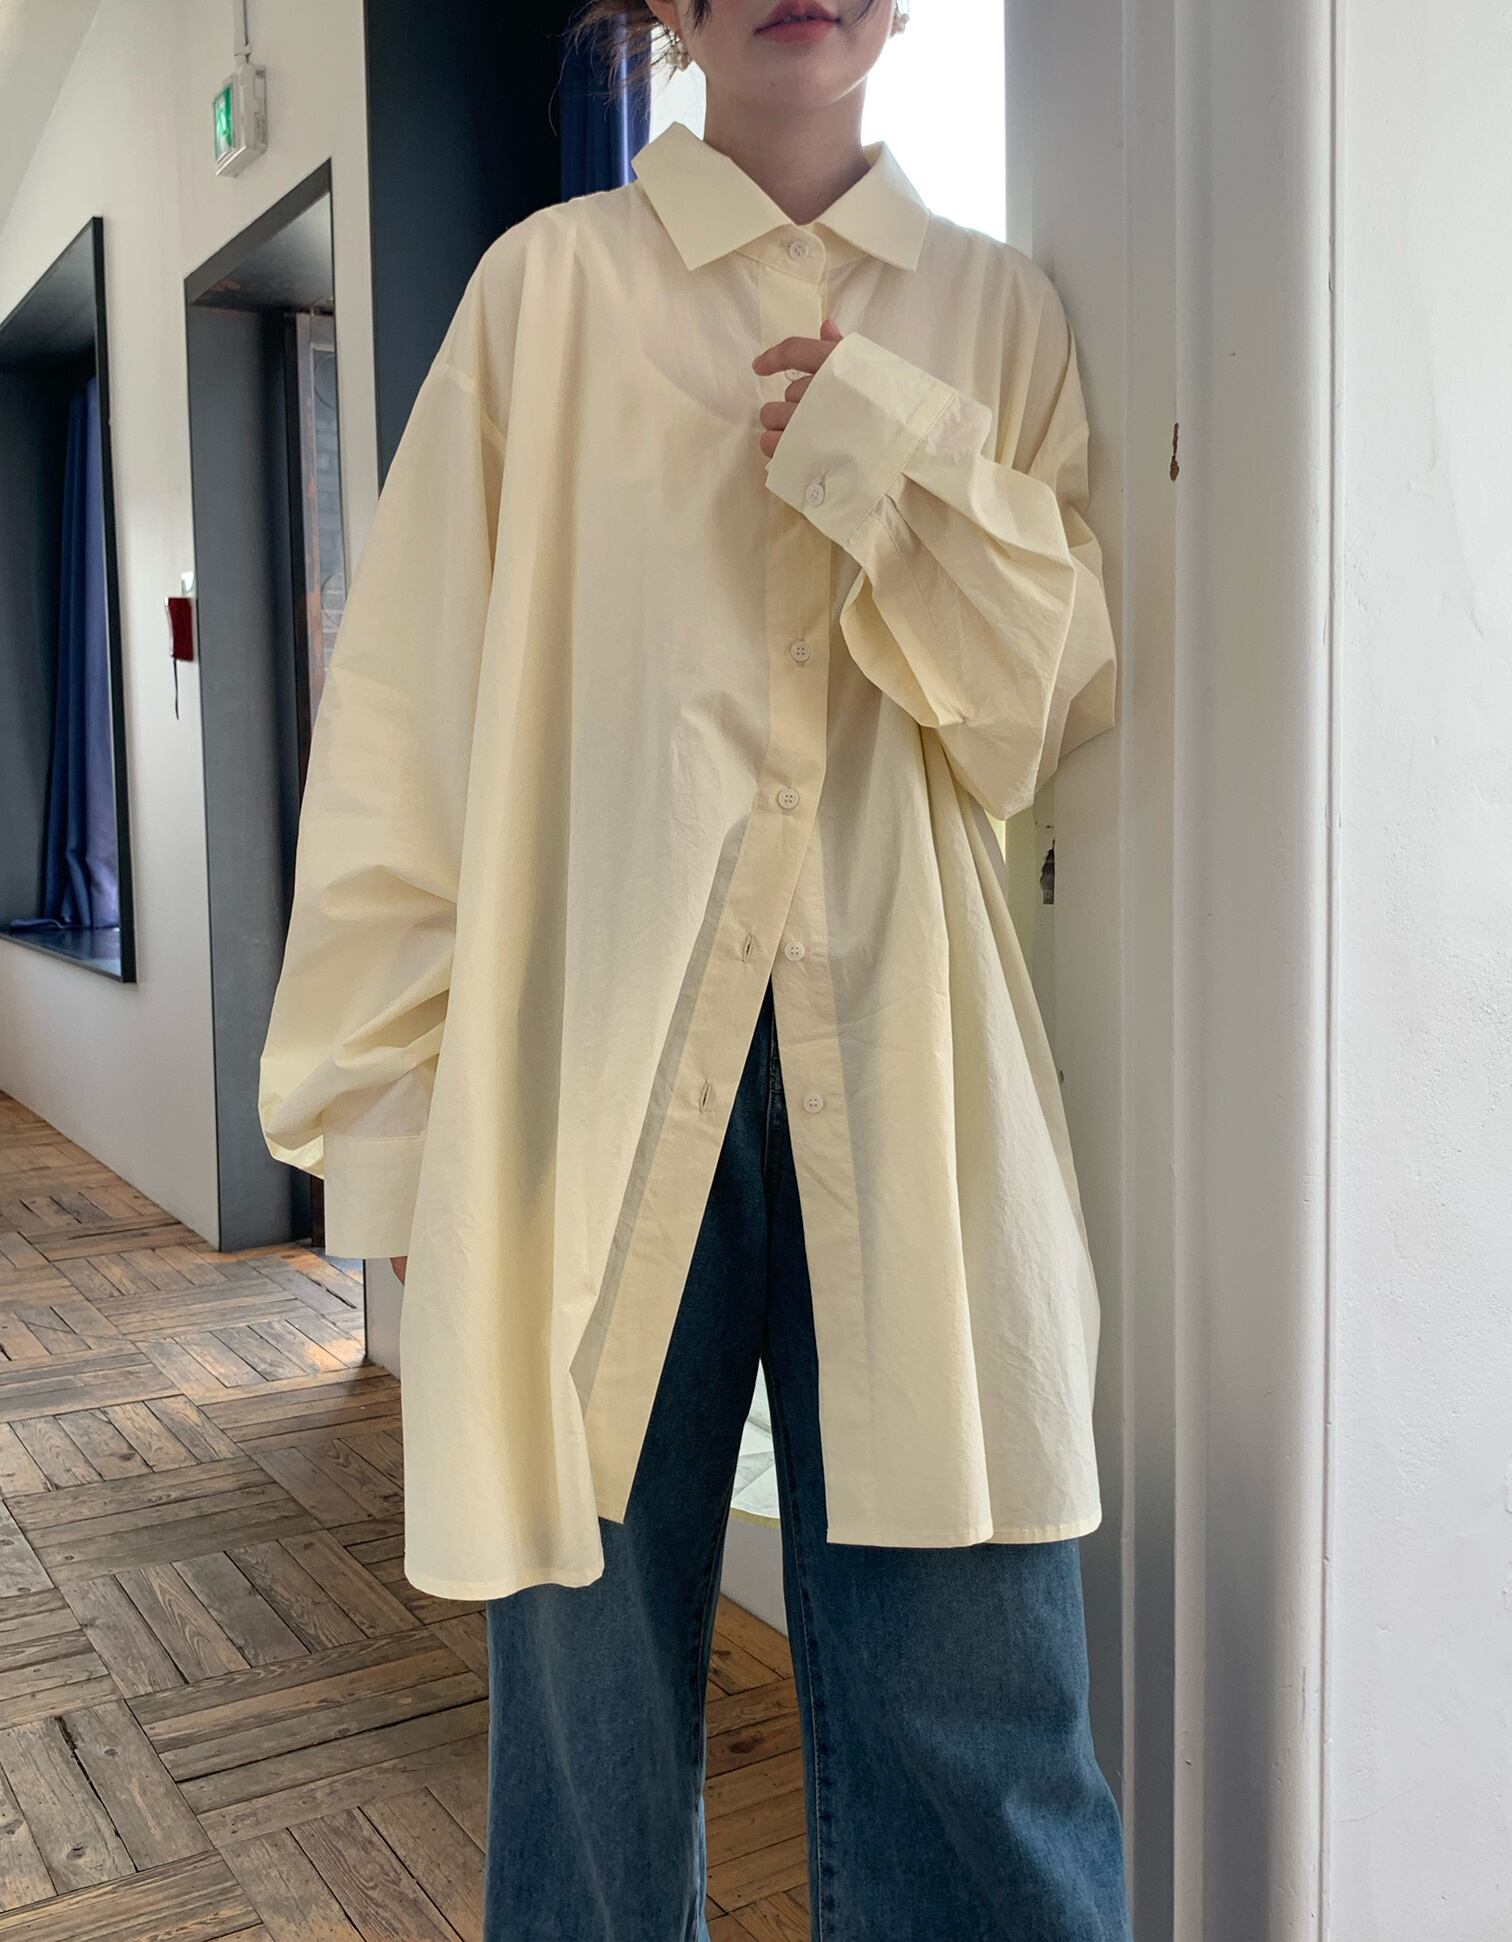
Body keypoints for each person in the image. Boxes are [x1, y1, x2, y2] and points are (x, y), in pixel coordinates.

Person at [259, 0, 1131, 1934]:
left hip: (915, 1081)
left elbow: (1034, 715)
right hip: (577, 1087)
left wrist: (887, 459)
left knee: (984, 1722)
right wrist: (388, 1143)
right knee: (585, 1745)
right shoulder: (548, 296)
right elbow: (404, 727)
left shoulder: (997, 315)